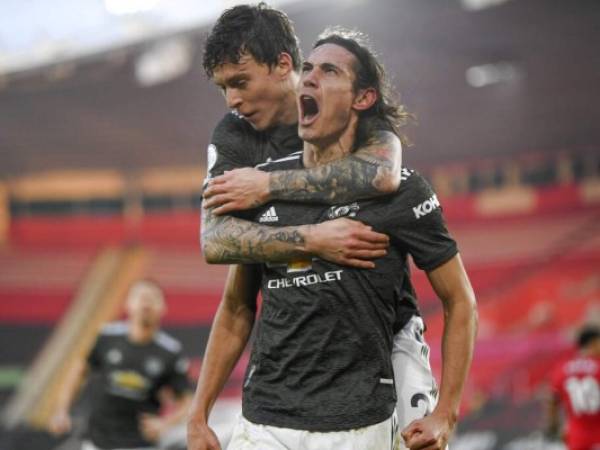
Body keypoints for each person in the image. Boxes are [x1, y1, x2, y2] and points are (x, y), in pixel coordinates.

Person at [190, 24, 477, 450]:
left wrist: (445, 414)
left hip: (376, 371)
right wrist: (198, 416)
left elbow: (459, 299)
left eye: (328, 72)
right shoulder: (243, 151)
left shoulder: (392, 175)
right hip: (267, 413)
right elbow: (227, 277)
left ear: (362, 99)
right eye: (310, 69)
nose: (233, 99)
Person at [49, 280, 193, 450]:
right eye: (140, 297)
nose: (146, 303)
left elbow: (187, 402)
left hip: (140, 443)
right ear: (128, 304)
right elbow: (78, 372)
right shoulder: (107, 336)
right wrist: (62, 410)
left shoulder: (170, 352)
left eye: (152, 298)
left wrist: (164, 424)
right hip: (97, 441)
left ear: (163, 307)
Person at [546, 324, 600, 450]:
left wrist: (554, 427)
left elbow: (552, 401)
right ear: (594, 343)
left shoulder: (561, 369)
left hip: (576, 436)